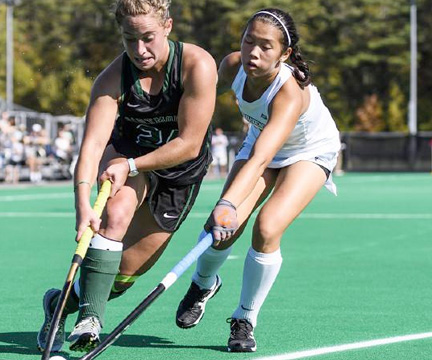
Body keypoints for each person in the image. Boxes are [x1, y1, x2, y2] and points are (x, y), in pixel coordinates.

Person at [37, 0, 217, 353]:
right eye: (129, 39)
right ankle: (90, 318)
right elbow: (91, 148)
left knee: (122, 276)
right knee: (115, 214)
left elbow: (190, 143)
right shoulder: (112, 79)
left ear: (167, 26)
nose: (139, 49)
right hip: (125, 157)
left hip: (179, 172)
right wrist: (82, 206)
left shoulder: (197, 65)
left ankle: (61, 302)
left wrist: (133, 165)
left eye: (148, 37)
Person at [174, 8, 341, 353]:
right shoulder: (233, 65)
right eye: (249, 40)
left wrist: (227, 202)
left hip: (308, 151)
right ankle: (203, 284)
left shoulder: (288, 93)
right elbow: (196, 101)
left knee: (266, 227)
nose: (253, 52)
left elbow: (263, 159)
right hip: (262, 140)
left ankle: (245, 318)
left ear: (285, 54)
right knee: (220, 228)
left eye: (266, 47)